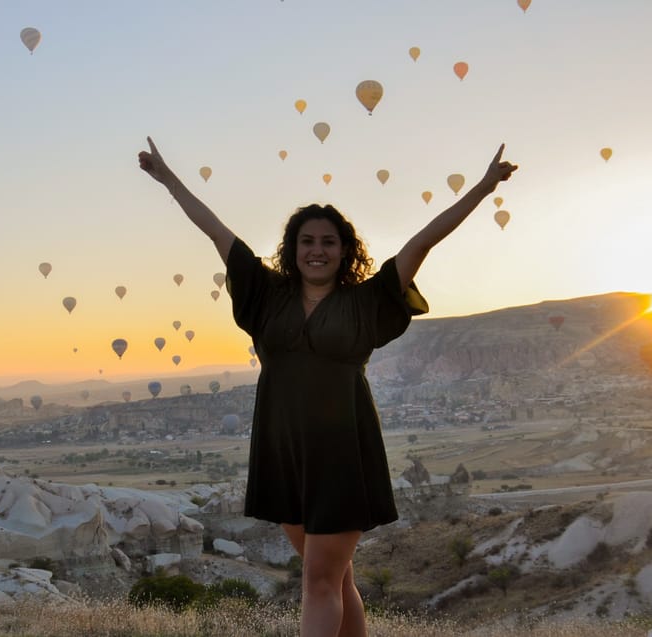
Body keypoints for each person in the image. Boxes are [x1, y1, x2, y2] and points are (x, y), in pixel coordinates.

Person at [138, 137, 517, 637]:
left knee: (318, 582)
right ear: (294, 250)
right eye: (307, 241)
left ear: (344, 250)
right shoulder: (264, 294)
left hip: (342, 452)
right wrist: (168, 179)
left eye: (328, 242)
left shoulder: (366, 302)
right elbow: (214, 228)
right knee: (336, 580)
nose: (317, 250)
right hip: (283, 450)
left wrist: (484, 187)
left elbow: (424, 240)